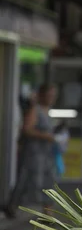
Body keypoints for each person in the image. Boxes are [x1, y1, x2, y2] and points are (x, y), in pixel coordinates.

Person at [4, 84, 57, 217]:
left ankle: (48, 213)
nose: (52, 98)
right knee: (26, 180)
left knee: (48, 181)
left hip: (45, 153)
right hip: (33, 153)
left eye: (53, 95)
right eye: (49, 95)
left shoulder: (47, 110)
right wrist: (46, 136)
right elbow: (27, 129)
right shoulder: (35, 109)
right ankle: (13, 205)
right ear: (42, 95)